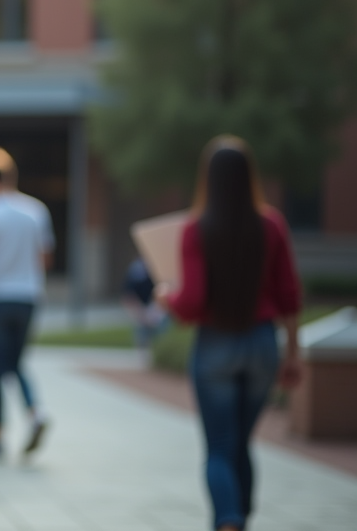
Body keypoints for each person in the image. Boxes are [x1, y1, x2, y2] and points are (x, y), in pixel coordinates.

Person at [155, 136, 301, 531]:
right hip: (262, 344)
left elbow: (192, 303)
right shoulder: (272, 225)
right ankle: (239, 520)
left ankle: (228, 521)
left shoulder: (197, 229)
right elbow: (289, 294)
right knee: (240, 444)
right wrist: (292, 353)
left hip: (215, 345)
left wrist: (168, 298)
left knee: (219, 448)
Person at [0, 155, 54, 459]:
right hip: (28, 297)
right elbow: (46, 258)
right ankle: (36, 413)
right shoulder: (36, 211)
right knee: (16, 364)